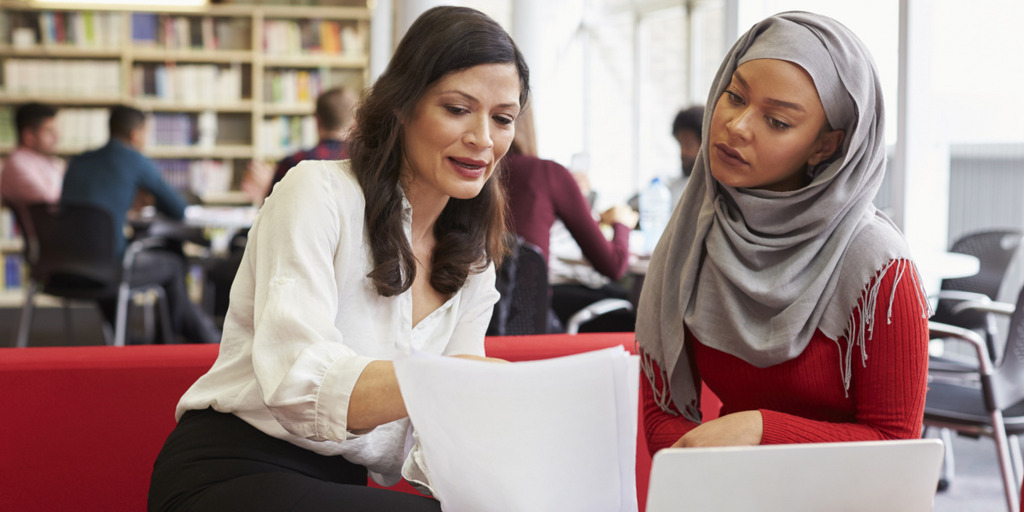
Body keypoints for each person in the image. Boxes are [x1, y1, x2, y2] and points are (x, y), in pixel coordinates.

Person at [147, 6, 528, 511]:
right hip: (230, 469)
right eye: (457, 109)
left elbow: (443, 437)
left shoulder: (473, 263)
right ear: (402, 106)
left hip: (335, 486)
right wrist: (451, 381)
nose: (483, 138)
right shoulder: (317, 192)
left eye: (502, 118)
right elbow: (298, 380)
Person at [636, 11, 930, 454]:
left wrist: (759, 431)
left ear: (825, 145)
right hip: (726, 489)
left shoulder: (878, 268)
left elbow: (895, 442)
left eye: (777, 121)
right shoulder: (695, 236)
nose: (736, 126)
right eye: (735, 97)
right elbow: (662, 412)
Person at [61, 105, 220, 345]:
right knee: (174, 263)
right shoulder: (133, 160)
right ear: (136, 134)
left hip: (64, 266)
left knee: (130, 253)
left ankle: (135, 340)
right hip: (108, 268)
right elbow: (177, 209)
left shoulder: (79, 161)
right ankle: (187, 340)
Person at [503, 107, 638, 332]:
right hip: (531, 329)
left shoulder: (468, 177)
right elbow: (614, 265)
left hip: (479, 327)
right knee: (627, 309)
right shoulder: (547, 173)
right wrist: (622, 223)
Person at [241, 86, 359, 204]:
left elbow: (273, 211)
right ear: (355, 122)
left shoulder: (293, 163)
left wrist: (265, 189)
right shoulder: (361, 161)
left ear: (316, 121)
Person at [0, 102, 64, 215]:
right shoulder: (17, 164)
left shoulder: (48, 161)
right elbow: (49, 202)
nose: (56, 137)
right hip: (50, 229)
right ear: (28, 136)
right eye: (49, 131)